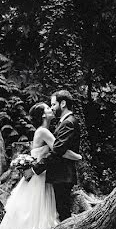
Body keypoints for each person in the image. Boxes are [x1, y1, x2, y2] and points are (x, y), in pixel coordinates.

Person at [0, 102, 81, 229]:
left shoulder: (44, 131)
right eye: (48, 108)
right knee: (35, 213)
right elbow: (61, 150)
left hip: (41, 176)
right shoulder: (43, 131)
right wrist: (78, 157)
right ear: (43, 115)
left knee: (34, 213)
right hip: (40, 178)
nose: (52, 109)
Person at [33, 90, 81, 221]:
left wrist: (35, 168)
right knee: (60, 211)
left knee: (63, 213)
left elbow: (58, 151)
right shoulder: (63, 122)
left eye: (54, 104)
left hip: (63, 175)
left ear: (63, 103)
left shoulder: (68, 123)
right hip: (59, 175)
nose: (53, 108)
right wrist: (76, 156)